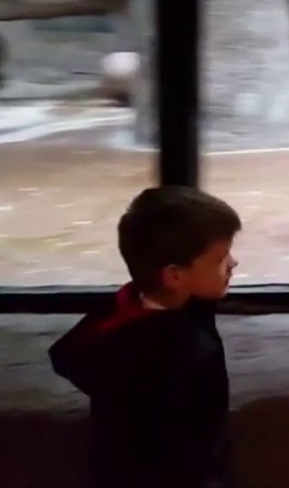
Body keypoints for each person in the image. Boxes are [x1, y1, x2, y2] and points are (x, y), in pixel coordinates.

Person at [49, 185, 242, 488]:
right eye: (220, 258)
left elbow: (66, 353)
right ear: (175, 276)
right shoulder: (181, 354)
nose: (232, 263)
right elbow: (189, 452)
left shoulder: (126, 308)